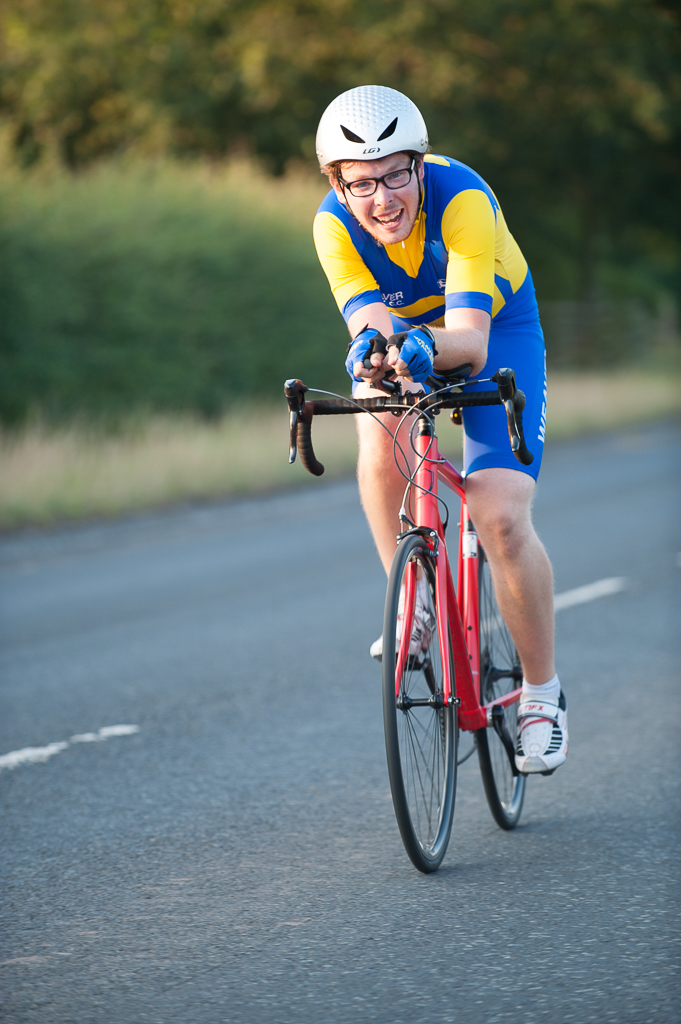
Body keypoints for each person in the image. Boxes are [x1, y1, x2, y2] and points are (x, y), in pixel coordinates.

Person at [312, 85, 567, 775]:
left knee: (497, 514)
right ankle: (411, 595)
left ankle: (540, 695)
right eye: (360, 183)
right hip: (422, 336)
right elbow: (371, 323)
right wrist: (370, 350)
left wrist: (424, 344)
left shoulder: (463, 201)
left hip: (496, 329)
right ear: (338, 184)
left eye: (396, 174)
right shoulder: (331, 224)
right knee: (377, 422)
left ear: (419, 165)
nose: (382, 198)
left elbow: (471, 343)